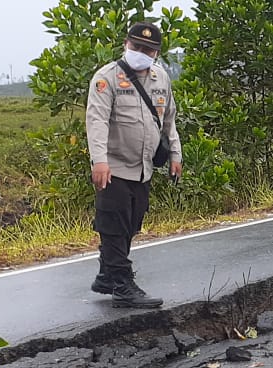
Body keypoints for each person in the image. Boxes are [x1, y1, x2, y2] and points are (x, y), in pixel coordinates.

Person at [85, 22, 182, 308]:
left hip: (143, 167)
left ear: (157, 53)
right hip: (114, 165)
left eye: (148, 49)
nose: (141, 52)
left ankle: (106, 275)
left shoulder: (161, 78)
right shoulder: (107, 78)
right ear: (126, 44)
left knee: (132, 221)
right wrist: (99, 161)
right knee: (113, 222)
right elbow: (97, 121)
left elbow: (169, 120)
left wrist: (175, 155)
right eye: (137, 46)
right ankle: (122, 284)